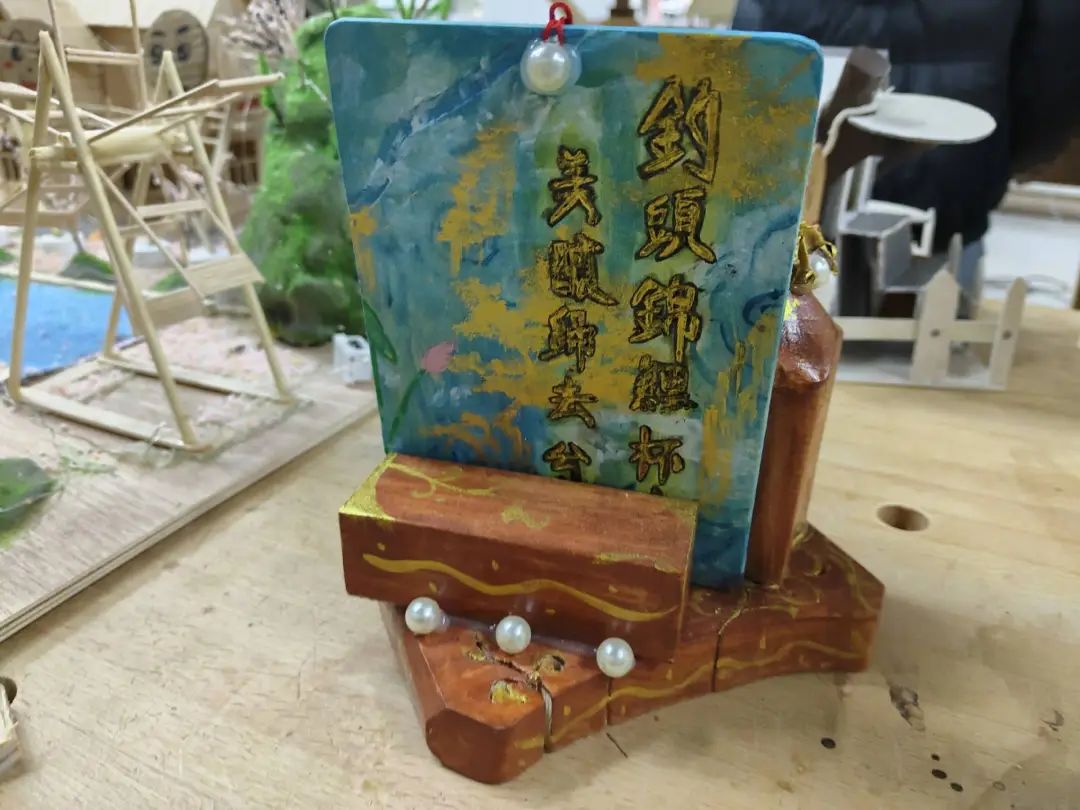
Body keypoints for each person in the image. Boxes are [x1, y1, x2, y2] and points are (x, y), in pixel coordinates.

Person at [733, 0, 1080, 313]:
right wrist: (995, 163)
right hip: (947, 198)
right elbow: (1051, 93)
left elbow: (745, 76)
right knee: (943, 346)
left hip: (788, 221)